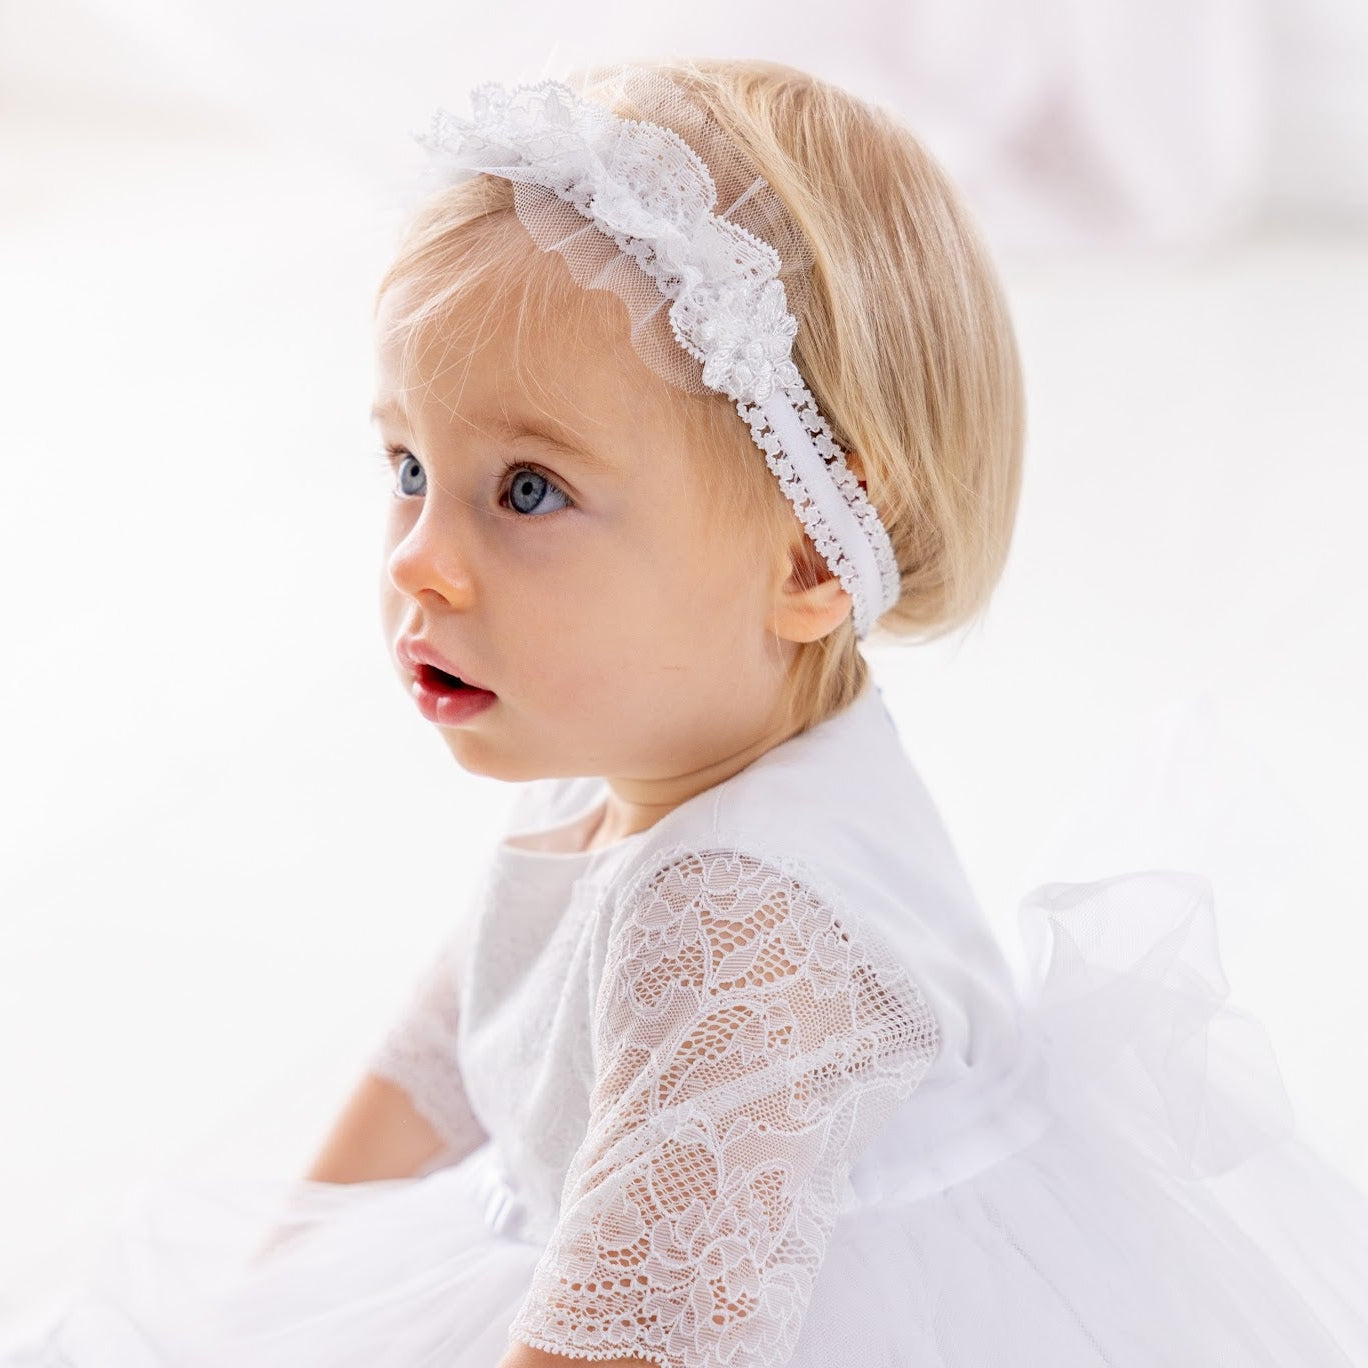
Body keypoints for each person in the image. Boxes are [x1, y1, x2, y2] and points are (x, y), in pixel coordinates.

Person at [6, 56, 1367, 1368]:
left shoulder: (746, 930)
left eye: (527, 490)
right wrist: (262, 1295)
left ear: (809, 561)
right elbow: (443, 1056)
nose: (419, 552)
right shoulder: (622, 754)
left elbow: (626, 1343)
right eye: (410, 465)